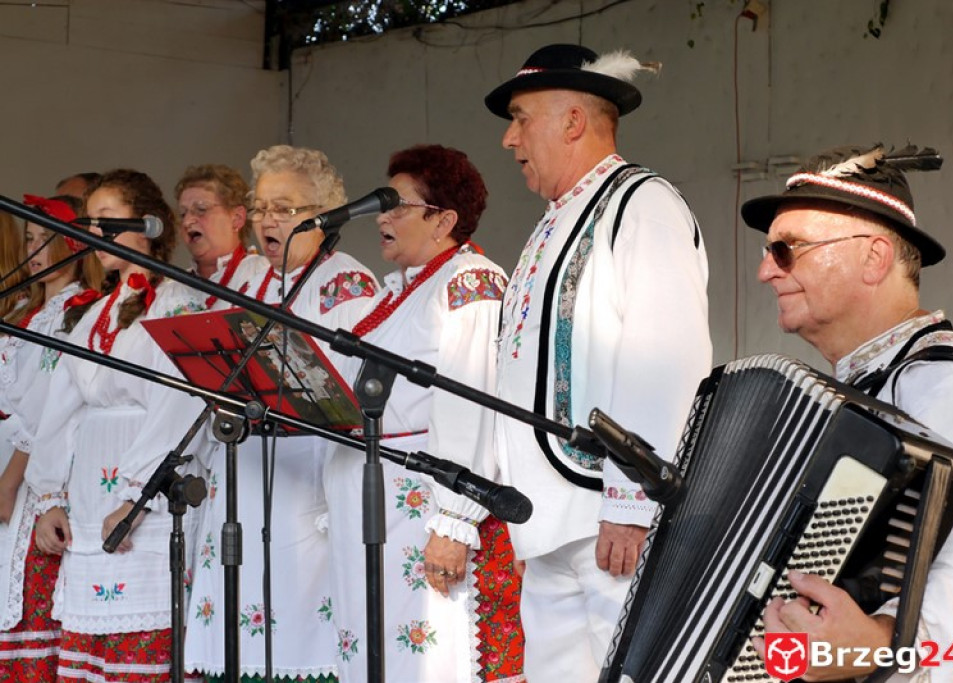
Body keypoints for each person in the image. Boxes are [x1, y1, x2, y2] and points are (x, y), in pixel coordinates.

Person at [742, 143, 953, 681]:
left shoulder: (945, 378)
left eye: (786, 249)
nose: (765, 272)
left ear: (874, 257)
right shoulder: (864, 386)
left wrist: (876, 646)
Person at [484, 44, 712, 681]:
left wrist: (632, 501)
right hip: (553, 522)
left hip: (608, 516)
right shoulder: (556, 220)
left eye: (521, 117)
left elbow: (665, 355)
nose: (509, 139)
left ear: (573, 121)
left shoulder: (642, 203)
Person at [322, 143, 522, 682]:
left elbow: (470, 397)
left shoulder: (469, 281)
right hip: (377, 508)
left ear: (444, 220)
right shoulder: (397, 291)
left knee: (434, 654)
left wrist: (454, 522)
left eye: (398, 205)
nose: (383, 218)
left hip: (424, 508)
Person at [184, 145, 377, 683]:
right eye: (261, 206)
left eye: (285, 209)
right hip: (247, 473)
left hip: (303, 481)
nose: (269, 220)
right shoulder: (254, 283)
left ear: (322, 215)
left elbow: (347, 391)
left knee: (293, 635)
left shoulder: (347, 285)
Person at [25, 170, 211, 682]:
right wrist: (48, 498)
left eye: (109, 221)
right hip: (86, 498)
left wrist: (136, 497)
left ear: (149, 225)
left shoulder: (179, 302)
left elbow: (177, 406)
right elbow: (60, 410)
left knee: (140, 643)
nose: (97, 233)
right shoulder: (93, 315)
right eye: (92, 222)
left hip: (143, 497)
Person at [0, 195, 103, 679]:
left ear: (74, 245)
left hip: (29, 474)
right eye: (31, 239)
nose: (36, 250)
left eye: (47, 239)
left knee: (27, 594)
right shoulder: (24, 306)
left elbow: (46, 414)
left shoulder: (76, 311)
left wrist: (10, 482)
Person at [174, 164, 266, 302]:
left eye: (201, 209)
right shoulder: (170, 292)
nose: (187, 222)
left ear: (237, 218)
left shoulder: (265, 275)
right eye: (182, 214)